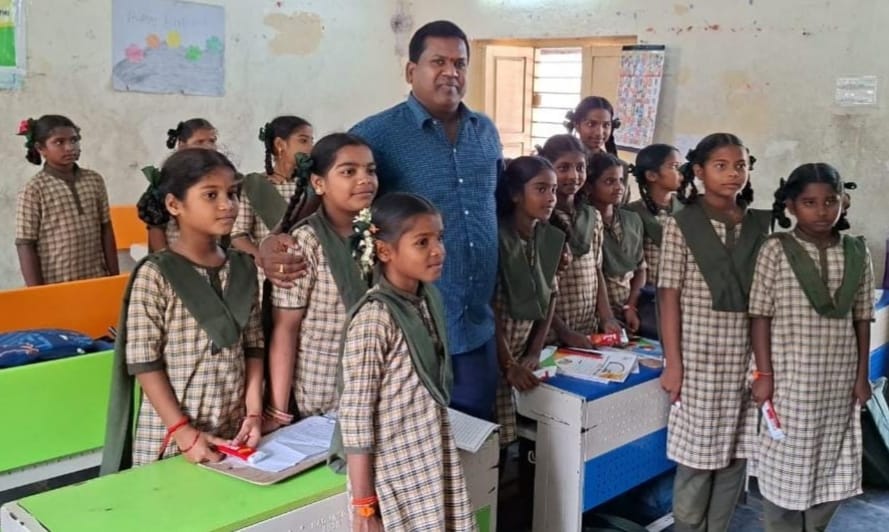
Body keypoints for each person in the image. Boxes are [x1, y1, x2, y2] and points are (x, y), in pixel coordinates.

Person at [260, 20, 503, 421]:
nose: (451, 72)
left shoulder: (486, 132)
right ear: (411, 71)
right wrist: (274, 240)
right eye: (438, 62)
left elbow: (498, 206)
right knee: (414, 440)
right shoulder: (378, 134)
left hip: (476, 323)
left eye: (460, 63)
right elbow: (319, 196)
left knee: (476, 441)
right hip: (410, 324)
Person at [100, 148, 264, 474]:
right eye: (211, 195)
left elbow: (253, 346)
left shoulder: (244, 267)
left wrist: (254, 412)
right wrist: (182, 431)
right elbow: (145, 363)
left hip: (233, 427)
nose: (227, 205)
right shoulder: (155, 274)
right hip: (173, 434)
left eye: (232, 193)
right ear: (174, 205)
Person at [331, 192, 476, 531]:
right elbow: (356, 418)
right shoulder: (374, 319)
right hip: (394, 472)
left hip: (429, 456)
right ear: (384, 251)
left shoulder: (426, 299)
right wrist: (364, 507)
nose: (438, 250)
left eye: (439, 238)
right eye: (422, 242)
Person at [749, 163, 873, 532]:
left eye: (830, 201)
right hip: (790, 381)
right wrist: (764, 374)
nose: (821, 211)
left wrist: (862, 376)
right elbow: (760, 315)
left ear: (843, 202)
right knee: (784, 460)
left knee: (832, 460)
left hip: (838, 382)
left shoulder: (856, 252)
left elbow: (862, 318)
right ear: (790, 205)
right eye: (809, 202)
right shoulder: (775, 249)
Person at [658, 133, 770, 531]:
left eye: (740, 165)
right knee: (697, 457)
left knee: (736, 453)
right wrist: (674, 363)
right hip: (698, 359)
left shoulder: (759, 225)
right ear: (699, 171)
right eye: (721, 166)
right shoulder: (681, 224)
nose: (732, 174)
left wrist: (765, 367)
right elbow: (668, 296)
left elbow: (766, 301)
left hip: (746, 359)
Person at [265, 134, 377, 429]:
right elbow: (286, 329)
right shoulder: (305, 242)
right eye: (349, 171)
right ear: (318, 183)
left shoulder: (377, 234)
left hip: (371, 384)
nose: (365, 179)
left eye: (370, 170)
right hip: (322, 394)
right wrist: (278, 411)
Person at [493, 156, 563, 446]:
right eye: (541, 189)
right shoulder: (497, 239)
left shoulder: (545, 238)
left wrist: (534, 351)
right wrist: (508, 363)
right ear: (515, 194)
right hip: (497, 354)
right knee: (498, 437)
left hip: (524, 353)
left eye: (554, 190)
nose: (551, 198)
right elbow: (490, 309)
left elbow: (551, 296)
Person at [15, 115, 119, 286]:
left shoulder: (94, 180)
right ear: (41, 148)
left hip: (96, 278)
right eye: (59, 142)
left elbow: (106, 228)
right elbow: (25, 245)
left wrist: (114, 278)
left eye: (74, 140)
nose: (70, 147)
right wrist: (38, 294)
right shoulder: (34, 190)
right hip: (56, 284)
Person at [537, 134, 620, 349]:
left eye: (580, 168)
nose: (574, 176)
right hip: (551, 334)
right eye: (563, 168)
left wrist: (607, 318)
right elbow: (536, 290)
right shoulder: (540, 221)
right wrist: (565, 333)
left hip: (587, 329)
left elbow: (597, 270)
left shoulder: (592, 216)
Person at [231, 116, 315, 259]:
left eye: (311, 141)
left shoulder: (313, 184)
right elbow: (239, 235)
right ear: (280, 144)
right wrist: (263, 259)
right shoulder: (255, 185)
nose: (310, 148)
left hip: (309, 264)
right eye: (303, 141)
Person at [625, 144, 684, 338]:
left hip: (683, 299)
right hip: (648, 300)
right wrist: (631, 305)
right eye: (674, 167)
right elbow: (633, 266)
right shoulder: (632, 214)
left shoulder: (688, 212)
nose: (680, 173)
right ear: (652, 175)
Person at [585, 152, 646, 333]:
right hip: (595, 315)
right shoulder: (586, 223)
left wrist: (631, 306)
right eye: (609, 181)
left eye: (620, 180)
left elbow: (640, 268)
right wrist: (607, 316)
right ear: (589, 186)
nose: (619, 187)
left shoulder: (632, 220)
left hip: (628, 310)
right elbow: (595, 274)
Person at [138, 118, 218, 251]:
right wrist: (165, 260)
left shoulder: (220, 178)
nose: (208, 147)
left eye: (212, 141)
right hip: (174, 254)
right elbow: (156, 228)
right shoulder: (167, 180)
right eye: (199, 142)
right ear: (182, 145)